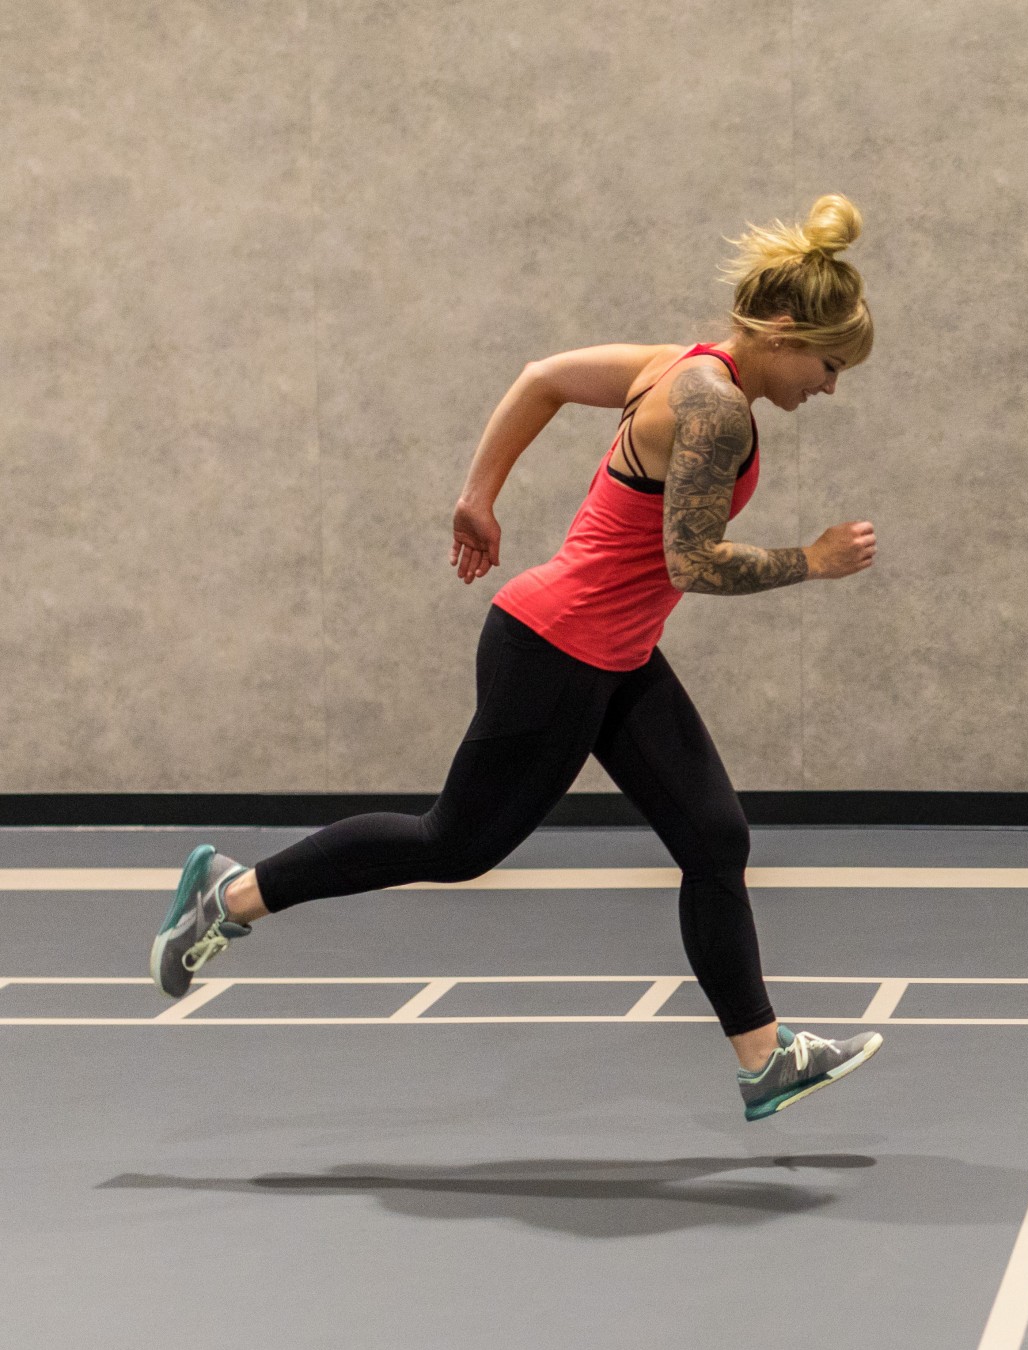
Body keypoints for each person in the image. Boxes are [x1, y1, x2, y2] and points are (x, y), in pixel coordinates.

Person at [148, 194, 884, 1122]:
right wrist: (811, 561)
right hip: (557, 650)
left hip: (615, 652)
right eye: (828, 364)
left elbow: (542, 378)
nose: (829, 387)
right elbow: (691, 562)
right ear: (782, 333)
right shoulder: (713, 408)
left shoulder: (678, 362)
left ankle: (764, 1058)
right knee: (453, 844)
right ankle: (231, 894)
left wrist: (478, 496)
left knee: (714, 837)